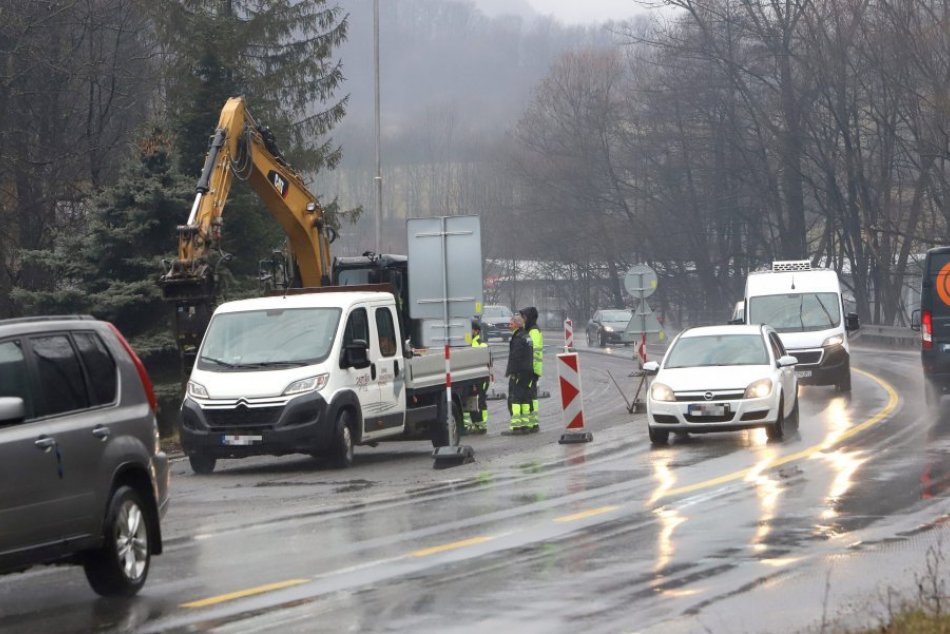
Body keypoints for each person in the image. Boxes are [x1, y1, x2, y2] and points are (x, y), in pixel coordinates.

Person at [505, 313, 534, 434]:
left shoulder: (517, 338)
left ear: (517, 324)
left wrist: (512, 372)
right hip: (528, 372)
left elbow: (515, 357)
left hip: (519, 373)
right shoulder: (527, 336)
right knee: (526, 398)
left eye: (511, 323)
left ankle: (516, 426)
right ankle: (526, 425)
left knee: (515, 398)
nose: (509, 325)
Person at [463, 320, 489, 434]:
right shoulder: (466, 343)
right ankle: (470, 425)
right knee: (468, 401)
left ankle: (481, 424)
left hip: (480, 378)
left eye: (471, 329)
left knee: (480, 401)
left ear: (476, 331)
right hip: (469, 377)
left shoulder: (481, 344)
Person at [521, 307, 543, 432]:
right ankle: (533, 422)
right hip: (532, 368)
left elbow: (531, 350)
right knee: (531, 395)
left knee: (529, 396)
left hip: (531, 368)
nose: (523, 320)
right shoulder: (531, 330)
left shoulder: (533, 331)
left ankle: (532, 423)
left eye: (524, 317)